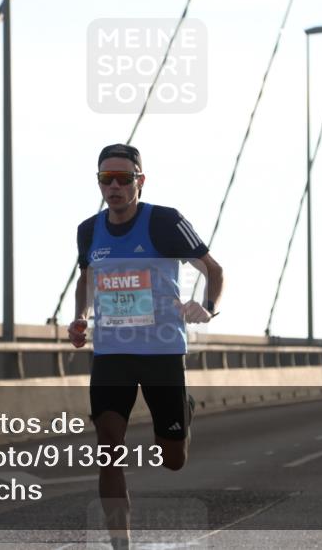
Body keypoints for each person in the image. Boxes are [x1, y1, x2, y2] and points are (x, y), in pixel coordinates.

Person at [68, 143, 223, 549]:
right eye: (107, 179)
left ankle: (183, 415)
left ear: (140, 180)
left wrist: (206, 306)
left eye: (124, 178)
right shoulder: (88, 230)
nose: (115, 187)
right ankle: (121, 544)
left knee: (173, 460)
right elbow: (86, 278)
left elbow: (213, 269)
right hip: (111, 356)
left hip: (162, 354)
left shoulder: (165, 222)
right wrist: (81, 317)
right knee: (108, 448)